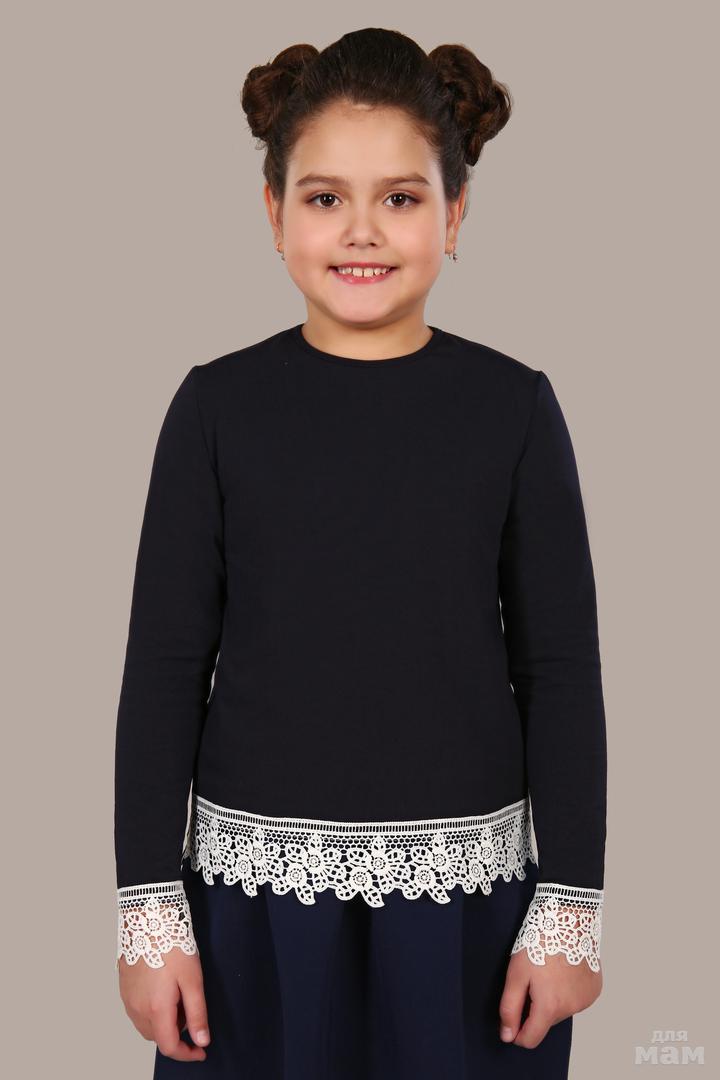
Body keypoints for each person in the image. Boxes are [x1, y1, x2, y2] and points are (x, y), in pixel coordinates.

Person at [114, 27, 607, 1080]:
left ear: (455, 215)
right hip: (252, 909)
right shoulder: (215, 409)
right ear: (274, 214)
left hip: (466, 911)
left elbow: (560, 670)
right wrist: (149, 915)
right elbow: (163, 669)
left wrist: (569, 908)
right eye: (325, 197)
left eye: (402, 197)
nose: (361, 231)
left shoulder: (513, 408)